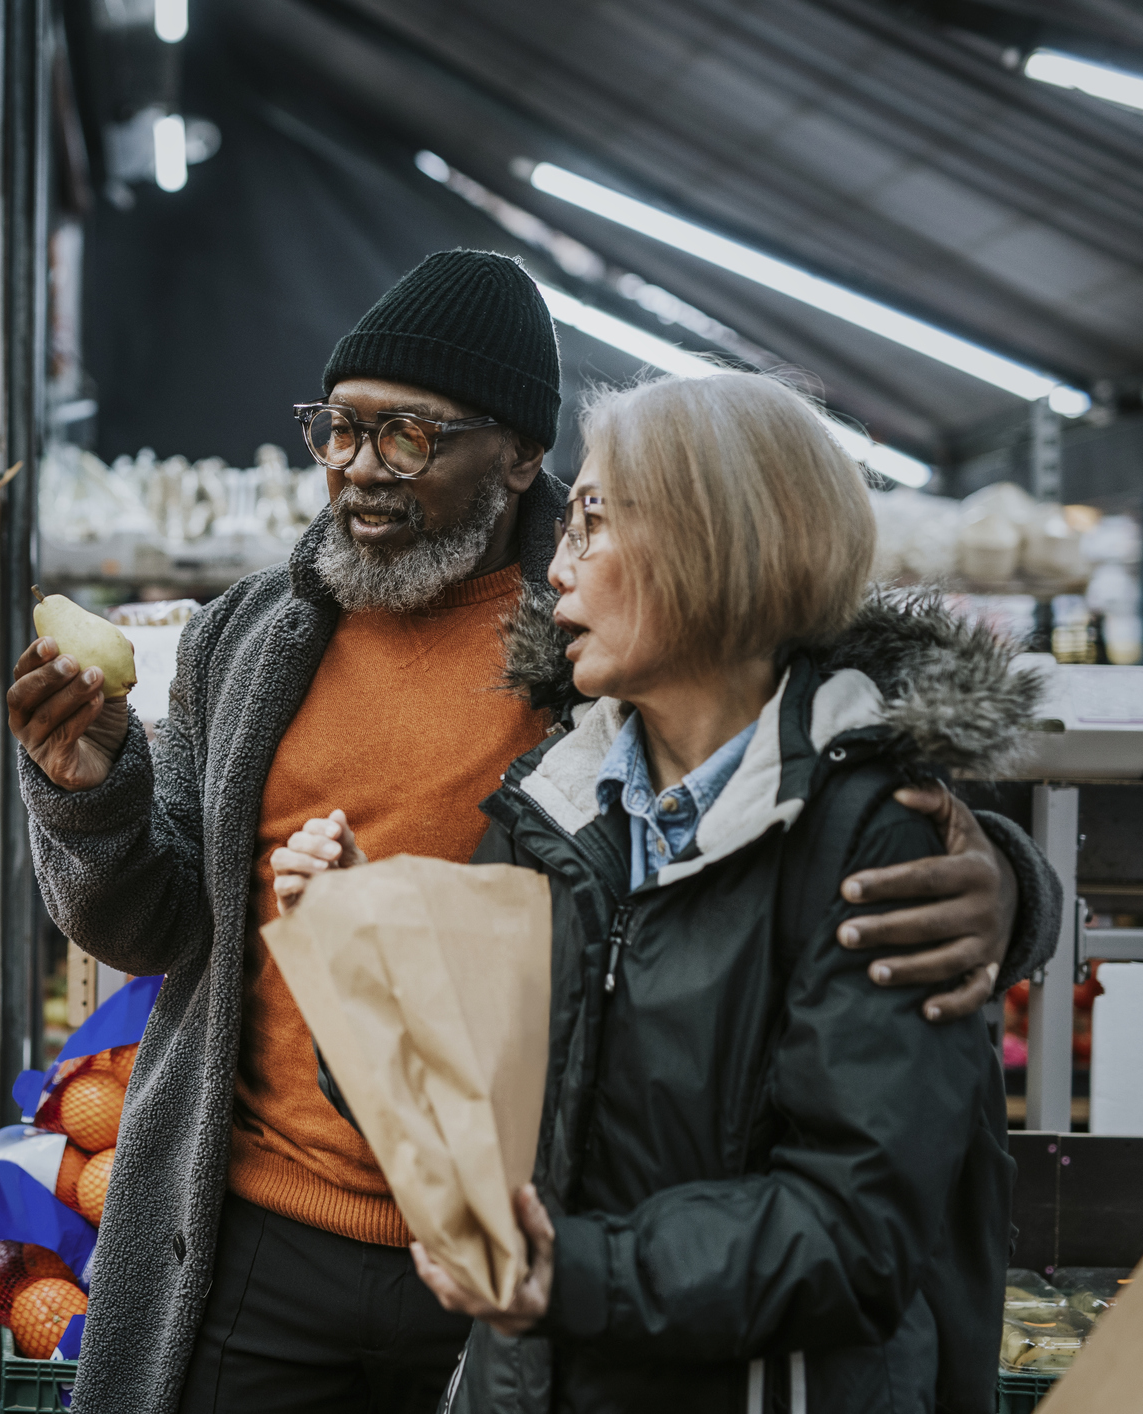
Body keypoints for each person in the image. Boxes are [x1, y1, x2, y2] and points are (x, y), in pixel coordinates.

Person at [6, 250, 1057, 1414]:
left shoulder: (596, 651)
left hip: (533, 1257)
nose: (358, 468)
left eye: (404, 436)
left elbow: (812, 728)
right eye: (335, 431)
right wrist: (92, 791)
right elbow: (155, 923)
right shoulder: (253, 643)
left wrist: (1004, 883)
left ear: (516, 456)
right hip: (269, 1224)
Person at [279, 372, 1023, 1411]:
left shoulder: (875, 839)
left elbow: (853, 1234)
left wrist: (572, 1274)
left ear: (711, 539)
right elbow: (450, 1124)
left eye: (588, 519)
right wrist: (356, 953)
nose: (553, 568)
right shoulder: (554, 808)